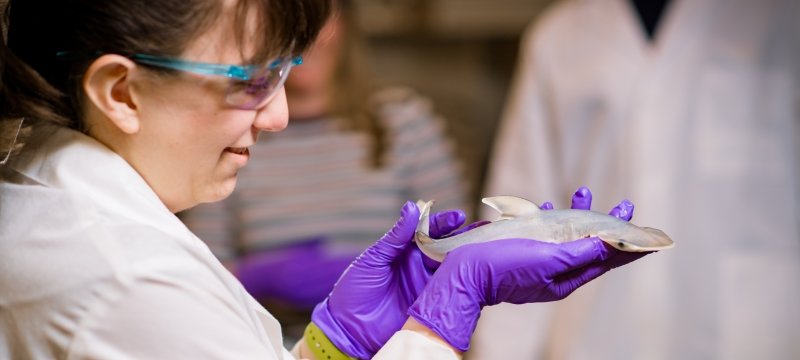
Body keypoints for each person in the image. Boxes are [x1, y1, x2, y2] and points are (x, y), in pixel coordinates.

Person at [0, 0, 650, 359]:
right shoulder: (129, 280)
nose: (278, 115)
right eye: (251, 81)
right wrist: (435, 328)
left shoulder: (56, 195)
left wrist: (333, 342)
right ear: (121, 90)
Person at [473, 0, 800, 359]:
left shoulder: (780, 16)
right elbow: (523, 219)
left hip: (753, 334)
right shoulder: (558, 38)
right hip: (594, 335)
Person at [179, 0, 469, 337]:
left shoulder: (400, 122)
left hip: (396, 336)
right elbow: (199, 274)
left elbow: (456, 255)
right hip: (269, 339)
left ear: (346, 22)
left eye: (318, 15)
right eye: (286, 18)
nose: (306, 33)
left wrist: (394, 279)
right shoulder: (230, 133)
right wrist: (254, 278)